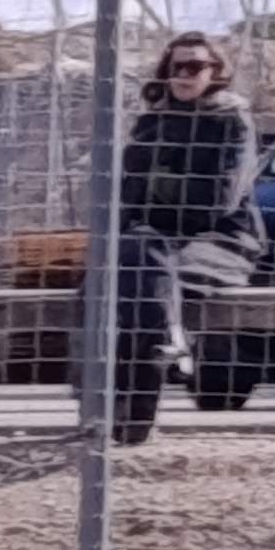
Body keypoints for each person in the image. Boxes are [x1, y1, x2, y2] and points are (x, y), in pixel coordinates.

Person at [115, 31, 263, 396]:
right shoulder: (150, 123)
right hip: (150, 243)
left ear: (214, 72)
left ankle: (165, 349)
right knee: (112, 277)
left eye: (194, 67)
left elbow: (218, 201)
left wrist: (158, 188)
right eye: (175, 67)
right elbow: (127, 195)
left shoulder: (231, 120)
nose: (183, 74)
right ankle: (131, 388)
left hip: (220, 242)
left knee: (145, 266)